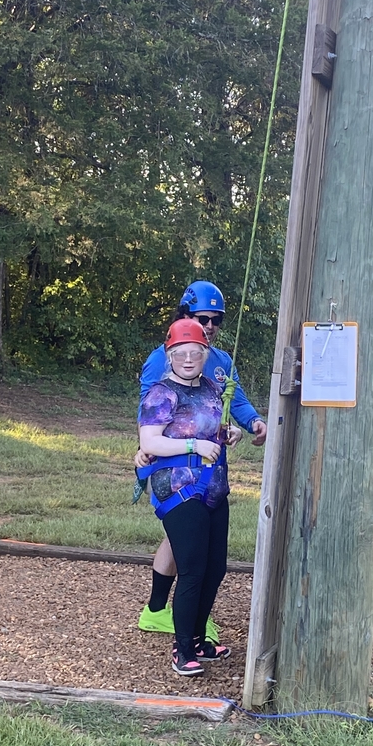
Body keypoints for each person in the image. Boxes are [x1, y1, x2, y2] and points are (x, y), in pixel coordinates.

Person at [136, 281, 267, 639]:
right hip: (174, 463)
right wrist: (143, 446)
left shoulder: (220, 361)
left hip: (211, 468)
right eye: (201, 318)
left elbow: (234, 399)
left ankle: (161, 611)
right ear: (184, 315)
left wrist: (253, 421)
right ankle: (166, 615)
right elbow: (150, 405)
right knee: (186, 541)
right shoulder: (166, 355)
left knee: (191, 543)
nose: (209, 326)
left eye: (216, 320)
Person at [138, 318, 242, 675]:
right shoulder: (161, 394)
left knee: (215, 570)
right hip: (179, 488)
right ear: (170, 356)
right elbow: (150, 441)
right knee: (193, 569)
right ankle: (182, 650)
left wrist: (228, 434)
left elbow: (214, 426)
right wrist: (194, 444)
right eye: (180, 353)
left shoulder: (213, 388)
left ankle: (198, 639)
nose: (187, 359)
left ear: (204, 354)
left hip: (213, 488)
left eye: (194, 353)